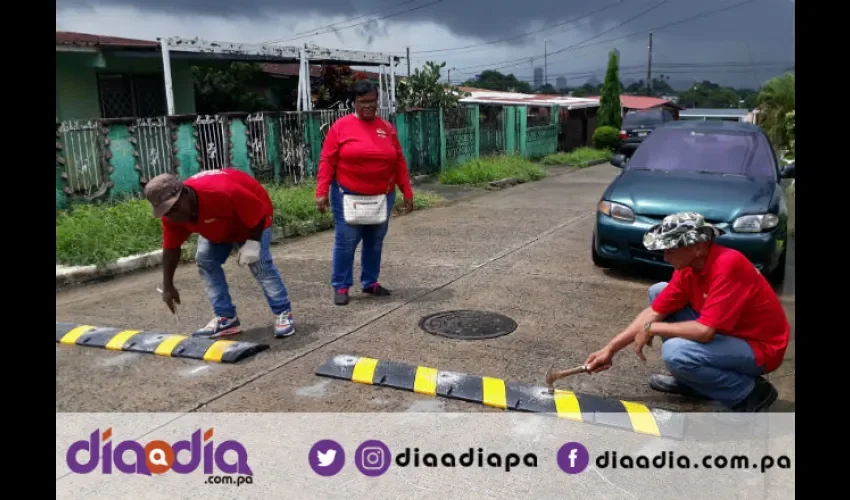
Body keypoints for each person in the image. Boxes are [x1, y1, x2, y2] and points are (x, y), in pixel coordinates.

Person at [583, 212, 789, 412]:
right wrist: (610, 349)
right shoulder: (689, 268)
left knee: (677, 353)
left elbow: (704, 331)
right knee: (659, 292)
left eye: (671, 249)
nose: (665, 256)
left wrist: (650, 328)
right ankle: (694, 381)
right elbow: (654, 312)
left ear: (698, 247)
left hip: (760, 348)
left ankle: (750, 393)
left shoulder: (727, 265)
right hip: (728, 333)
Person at [143, 168, 295, 339]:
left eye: (174, 207)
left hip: (251, 220)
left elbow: (258, 213)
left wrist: (253, 244)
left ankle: (283, 312)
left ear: (184, 193)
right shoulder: (172, 216)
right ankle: (226, 318)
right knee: (205, 261)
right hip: (217, 224)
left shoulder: (222, 191)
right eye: (166, 211)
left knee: (260, 265)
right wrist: (168, 286)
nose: (173, 215)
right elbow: (171, 249)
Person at [315, 79, 415, 306]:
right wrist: (321, 191)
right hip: (347, 194)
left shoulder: (387, 129)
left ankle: (370, 282)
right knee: (347, 240)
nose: (368, 106)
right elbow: (327, 160)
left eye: (372, 101)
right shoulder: (340, 127)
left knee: (375, 241)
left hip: (382, 196)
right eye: (362, 102)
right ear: (354, 103)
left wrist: (406, 191)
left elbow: (398, 161)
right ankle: (341, 285)